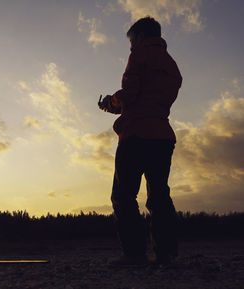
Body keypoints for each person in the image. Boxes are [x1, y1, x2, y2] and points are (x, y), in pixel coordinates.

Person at [98, 16, 182, 266]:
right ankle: (166, 254)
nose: (131, 46)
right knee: (159, 196)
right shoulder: (171, 65)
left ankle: (134, 254)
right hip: (162, 135)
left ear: (141, 37)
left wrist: (111, 102)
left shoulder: (139, 55)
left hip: (135, 135)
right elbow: (153, 97)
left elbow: (132, 94)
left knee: (123, 197)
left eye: (132, 41)